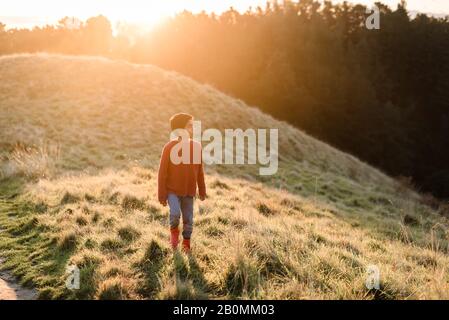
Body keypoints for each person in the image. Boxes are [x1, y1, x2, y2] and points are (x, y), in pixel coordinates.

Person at [158, 113, 206, 253]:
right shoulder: (169, 148)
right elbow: (162, 173)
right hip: (172, 191)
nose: (193, 128)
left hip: (189, 192)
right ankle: (174, 235)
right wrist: (162, 194)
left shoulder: (196, 147)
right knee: (174, 214)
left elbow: (200, 171)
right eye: (190, 125)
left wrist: (202, 190)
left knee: (188, 219)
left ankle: (186, 242)